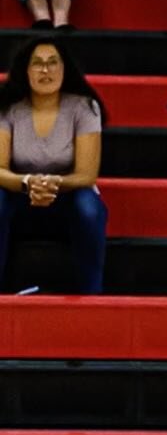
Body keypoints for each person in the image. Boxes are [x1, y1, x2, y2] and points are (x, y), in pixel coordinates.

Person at [0, 38, 105, 293]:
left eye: (52, 63)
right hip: (20, 196)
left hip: (68, 196)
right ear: (25, 71)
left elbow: (87, 174)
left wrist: (51, 183)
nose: (45, 70)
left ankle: (92, 295)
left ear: (64, 69)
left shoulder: (84, 107)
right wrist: (27, 184)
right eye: (37, 64)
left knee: (89, 208)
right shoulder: (7, 108)